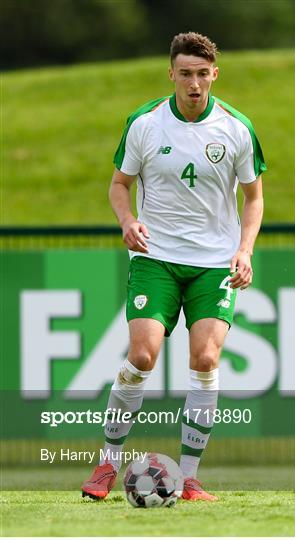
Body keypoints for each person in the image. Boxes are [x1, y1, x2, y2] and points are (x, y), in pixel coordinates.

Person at [82, 31, 266, 502]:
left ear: (214, 75)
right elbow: (119, 184)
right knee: (142, 356)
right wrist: (126, 221)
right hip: (156, 258)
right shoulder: (145, 123)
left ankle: (187, 478)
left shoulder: (236, 128)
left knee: (205, 359)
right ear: (171, 73)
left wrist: (244, 250)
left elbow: (254, 198)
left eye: (203, 74)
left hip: (213, 264)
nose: (194, 84)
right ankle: (106, 465)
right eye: (185, 74)